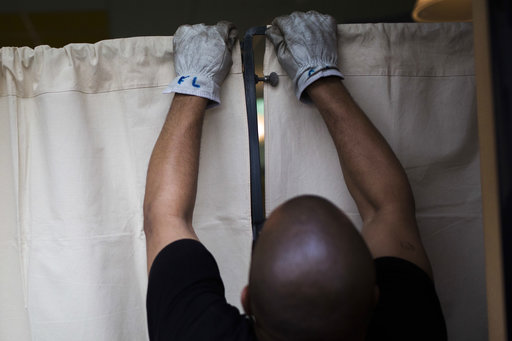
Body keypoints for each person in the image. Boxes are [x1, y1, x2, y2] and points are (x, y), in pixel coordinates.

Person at [143, 11, 447, 341]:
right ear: (375, 297)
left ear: (247, 299)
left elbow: (165, 216)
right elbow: (388, 208)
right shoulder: (413, 327)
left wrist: (194, 83)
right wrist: (323, 77)